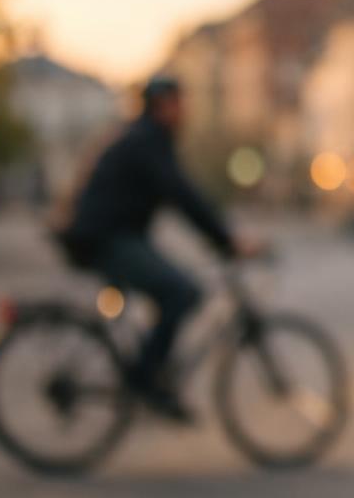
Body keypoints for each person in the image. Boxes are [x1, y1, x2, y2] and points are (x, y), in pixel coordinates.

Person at [55, 75, 257, 421]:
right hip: (105, 238)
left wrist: (219, 236)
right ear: (163, 106)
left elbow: (181, 194)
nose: (185, 112)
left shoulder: (143, 137)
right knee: (182, 292)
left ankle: (149, 373)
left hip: (111, 235)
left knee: (173, 290)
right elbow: (182, 195)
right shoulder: (147, 141)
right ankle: (145, 380)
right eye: (180, 103)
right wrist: (226, 239)